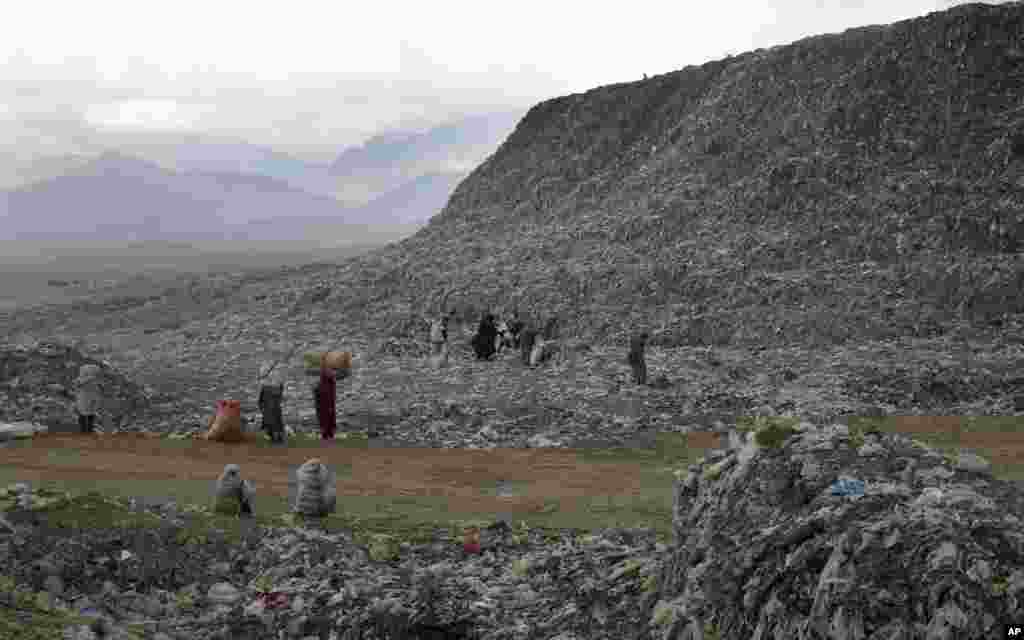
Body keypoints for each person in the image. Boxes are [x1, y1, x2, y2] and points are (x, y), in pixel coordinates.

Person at [74, 364, 102, 434]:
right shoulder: (84, 380)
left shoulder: (93, 382)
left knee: (88, 418)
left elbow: (97, 393)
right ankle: (85, 432)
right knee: (84, 418)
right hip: (84, 402)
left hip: (88, 403)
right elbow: (78, 385)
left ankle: (87, 432)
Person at [316, 364, 337, 440]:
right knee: (326, 416)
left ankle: (329, 432)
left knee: (328, 416)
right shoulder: (325, 383)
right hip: (325, 401)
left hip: (328, 401)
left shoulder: (329, 383)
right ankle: (327, 432)